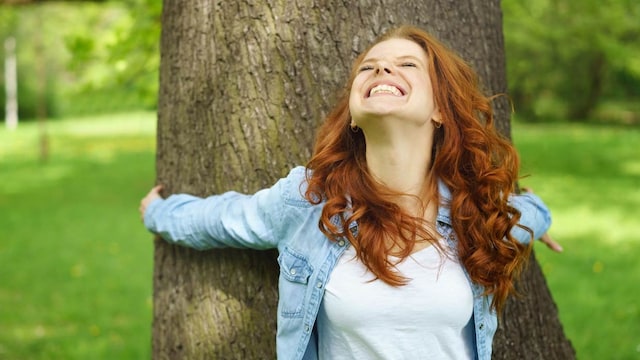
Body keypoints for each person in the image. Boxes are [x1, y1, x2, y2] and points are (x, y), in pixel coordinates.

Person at [140, 25, 562, 360]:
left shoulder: (478, 213)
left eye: (407, 65)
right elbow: (227, 218)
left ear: (439, 110)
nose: (382, 70)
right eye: (369, 66)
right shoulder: (310, 203)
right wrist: (158, 211)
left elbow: (529, 213)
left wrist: (537, 216)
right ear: (354, 119)